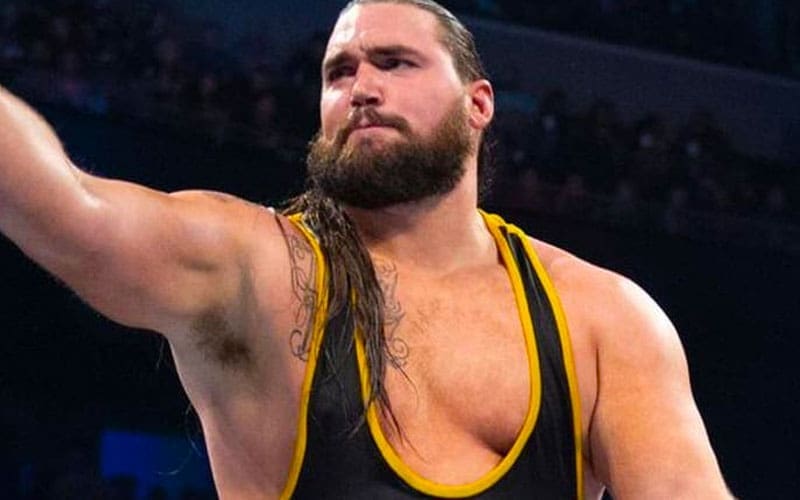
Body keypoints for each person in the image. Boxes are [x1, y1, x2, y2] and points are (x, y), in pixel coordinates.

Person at [0, 0, 734, 498]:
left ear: (478, 104)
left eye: (395, 62)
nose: (361, 88)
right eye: (339, 71)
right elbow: (71, 210)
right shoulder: (260, 273)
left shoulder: (601, 320)